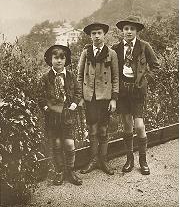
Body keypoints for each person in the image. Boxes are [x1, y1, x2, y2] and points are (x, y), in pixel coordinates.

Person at [112, 16, 159, 175]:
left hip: (138, 91)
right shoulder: (116, 48)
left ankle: (143, 160)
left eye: (132, 29)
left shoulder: (144, 47)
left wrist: (145, 79)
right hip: (123, 91)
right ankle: (129, 158)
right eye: (126, 29)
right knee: (126, 125)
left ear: (137, 31)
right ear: (122, 31)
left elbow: (156, 66)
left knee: (139, 126)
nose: (129, 31)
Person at [77, 22, 119, 175]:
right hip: (90, 98)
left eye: (99, 33)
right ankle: (93, 159)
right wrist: (80, 97)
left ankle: (103, 159)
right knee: (92, 129)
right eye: (93, 33)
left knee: (103, 129)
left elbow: (115, 78)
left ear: (104, 34)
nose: (96, 36)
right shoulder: (86, 52)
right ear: (90, 36)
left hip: (105, 98)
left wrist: (114, 99)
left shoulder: (111, 53)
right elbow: (80, 76)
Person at [38, 44, 82, 186]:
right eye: (55, 57)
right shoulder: (46, 78)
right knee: (56, 143)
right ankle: (59, 171)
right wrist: (46, 108)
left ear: (66, 60)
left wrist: (74, 103)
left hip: (67, 114)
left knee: (69, 144)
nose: (59, 61)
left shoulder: (70, 76)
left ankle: (70, 170)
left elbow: (77, 91)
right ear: (50, 59)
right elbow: (40, 96)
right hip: (52, 117)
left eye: (62, 58)